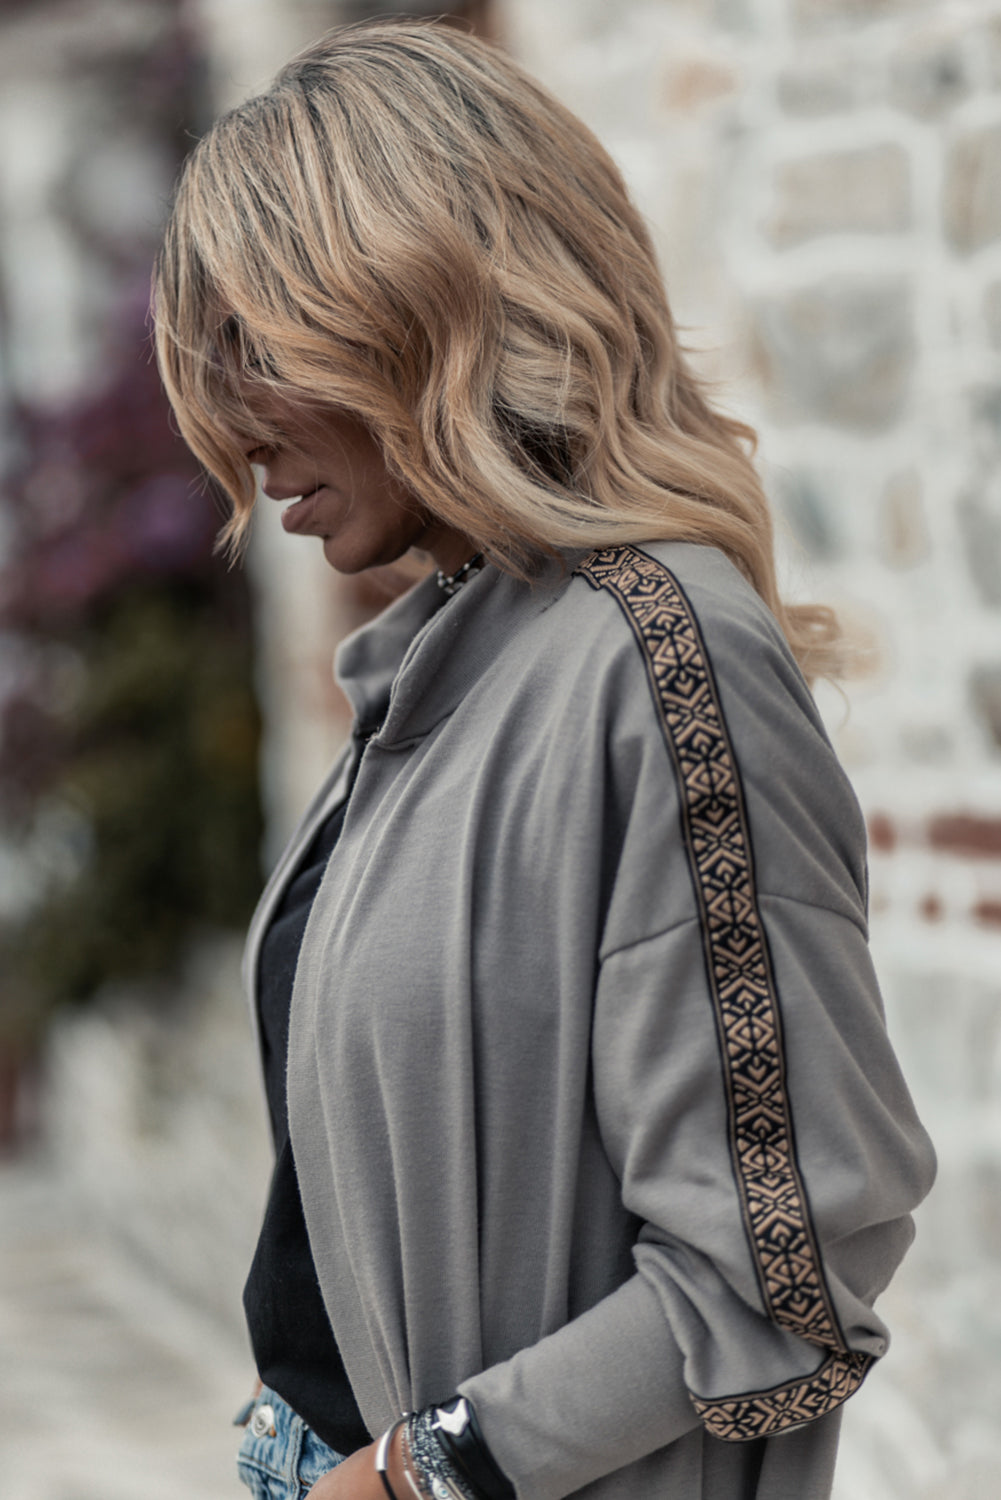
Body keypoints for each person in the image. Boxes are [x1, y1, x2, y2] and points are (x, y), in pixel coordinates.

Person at [153, 19, 936, 1500]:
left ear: (426, 308)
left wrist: (424, 1473)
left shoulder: (659, 657)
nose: (237, 429)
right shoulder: (455, 657)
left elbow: (793, 1252)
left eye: (266, 346)